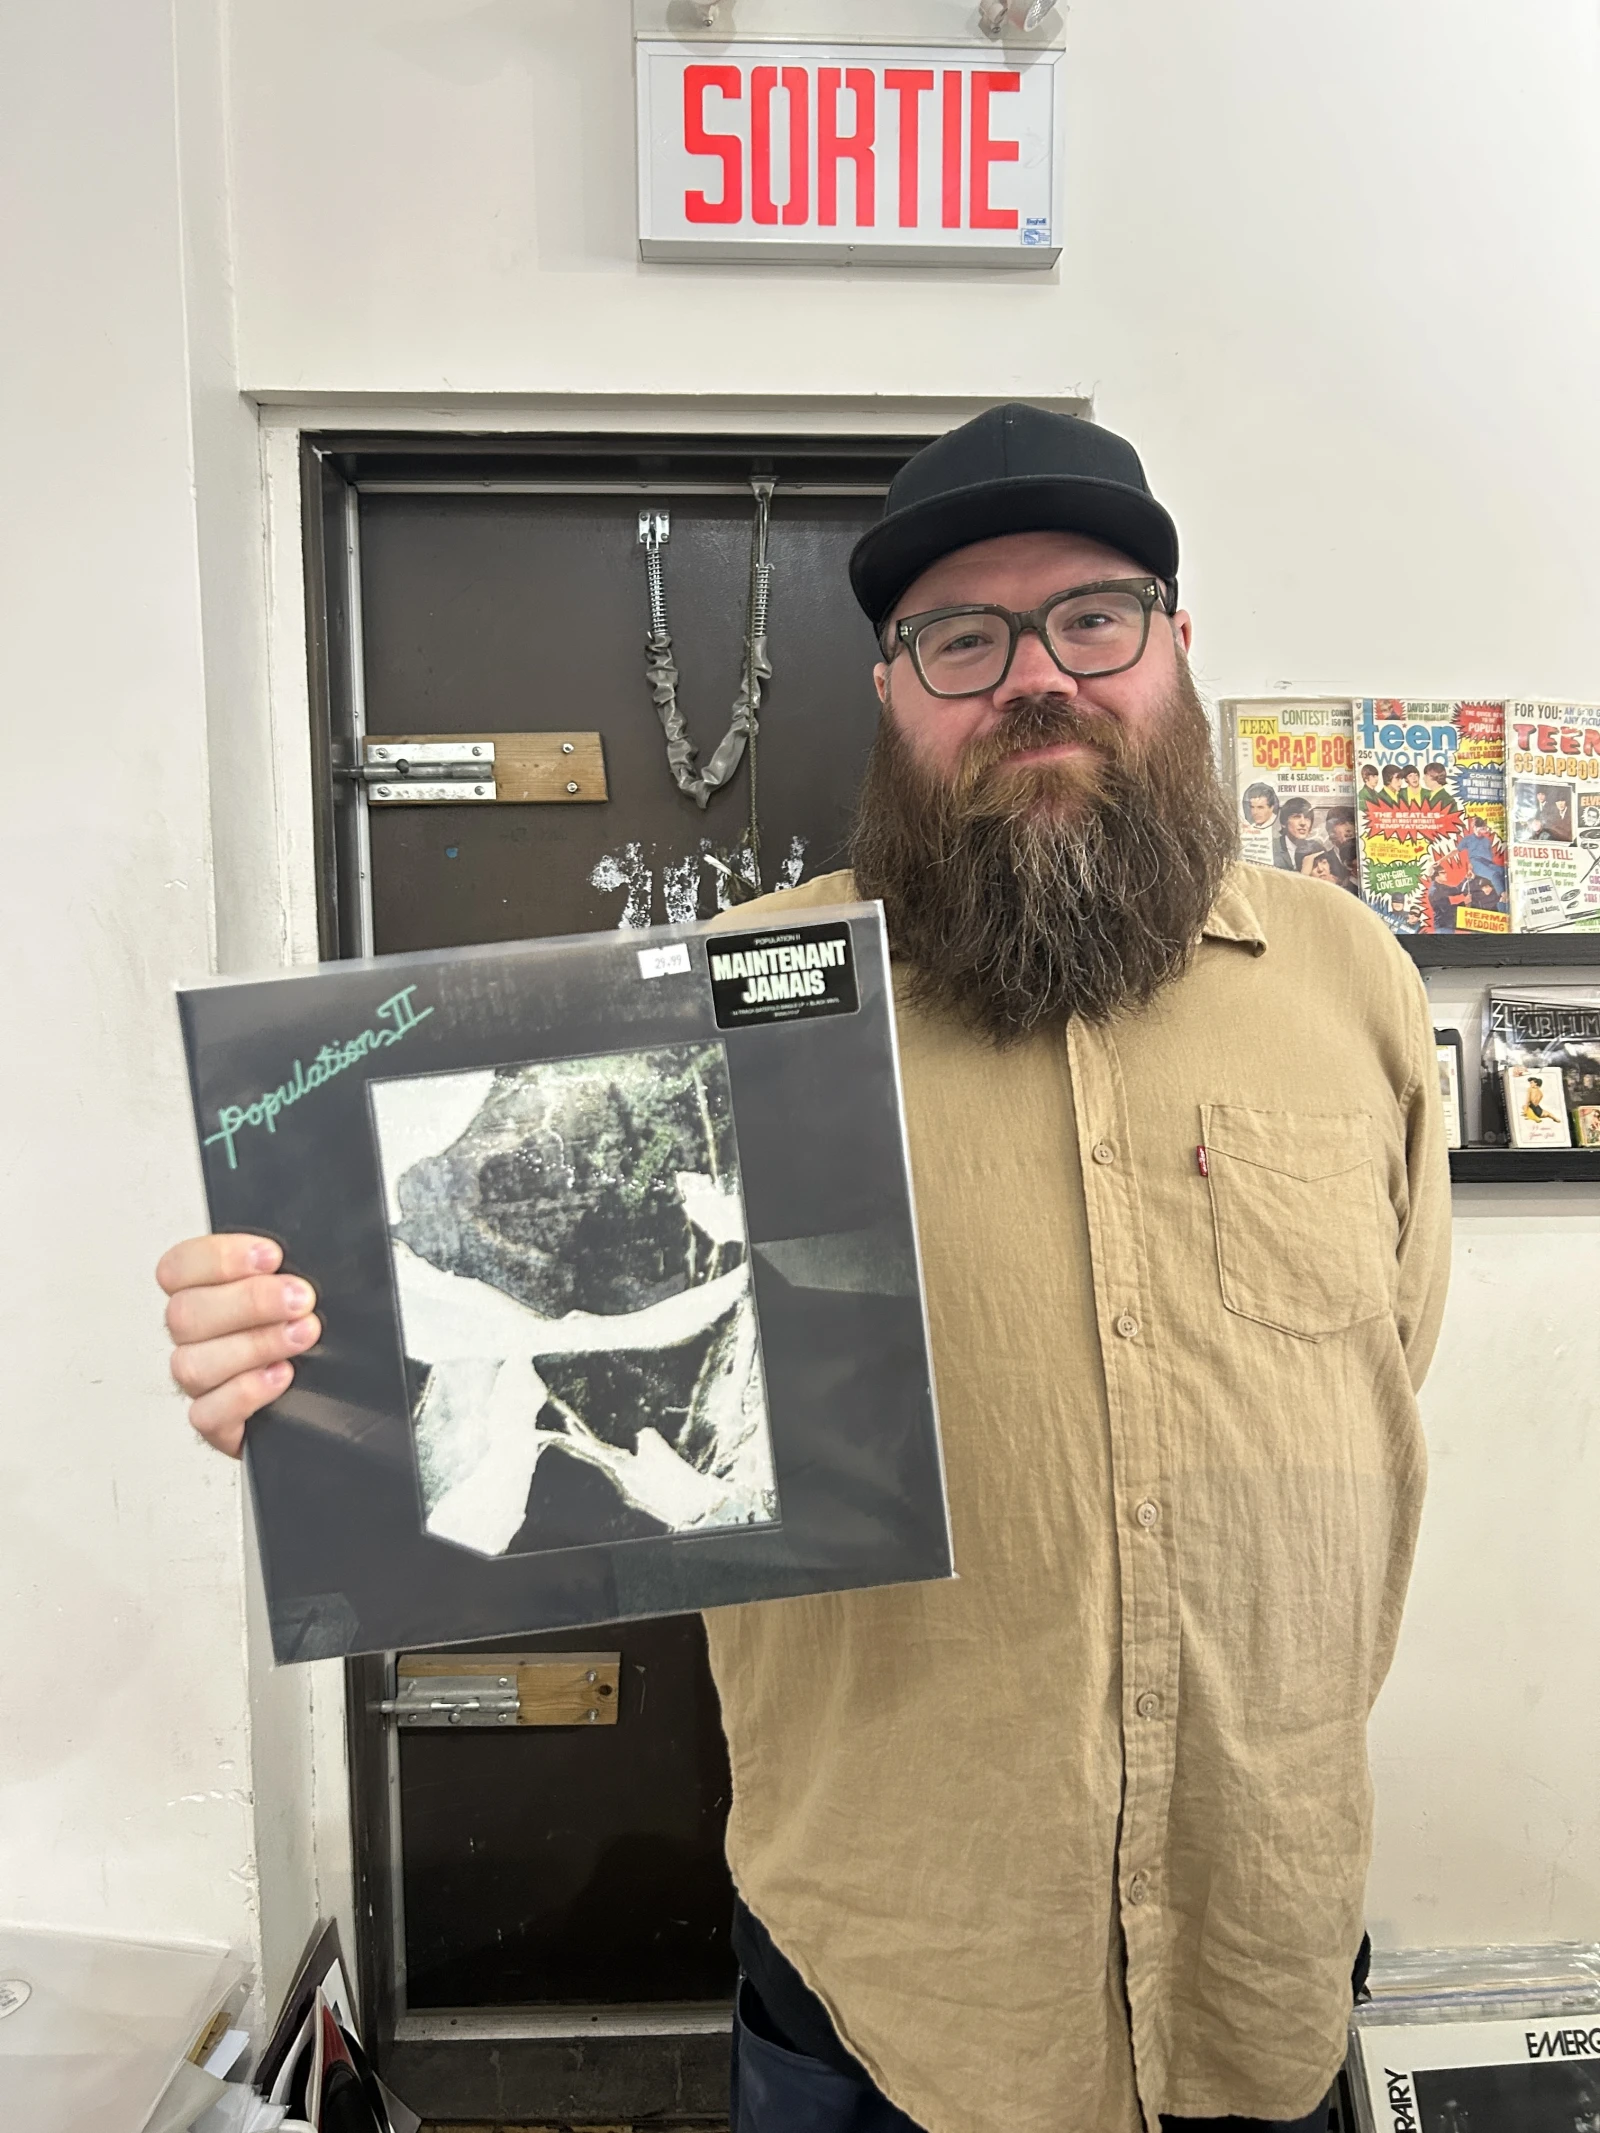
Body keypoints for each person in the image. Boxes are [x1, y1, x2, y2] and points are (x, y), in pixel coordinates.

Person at [157, 404, 1451, 2133]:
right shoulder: (722, 1016)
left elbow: (1384, 1357)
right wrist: (296, 1357)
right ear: (892, 689)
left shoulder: (1349, 981)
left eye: (1093, 617)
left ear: (1176, 642)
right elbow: (467, 1346)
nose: (1035, 678)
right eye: (961, 639)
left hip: (1256, 1942)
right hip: (890, 1987)